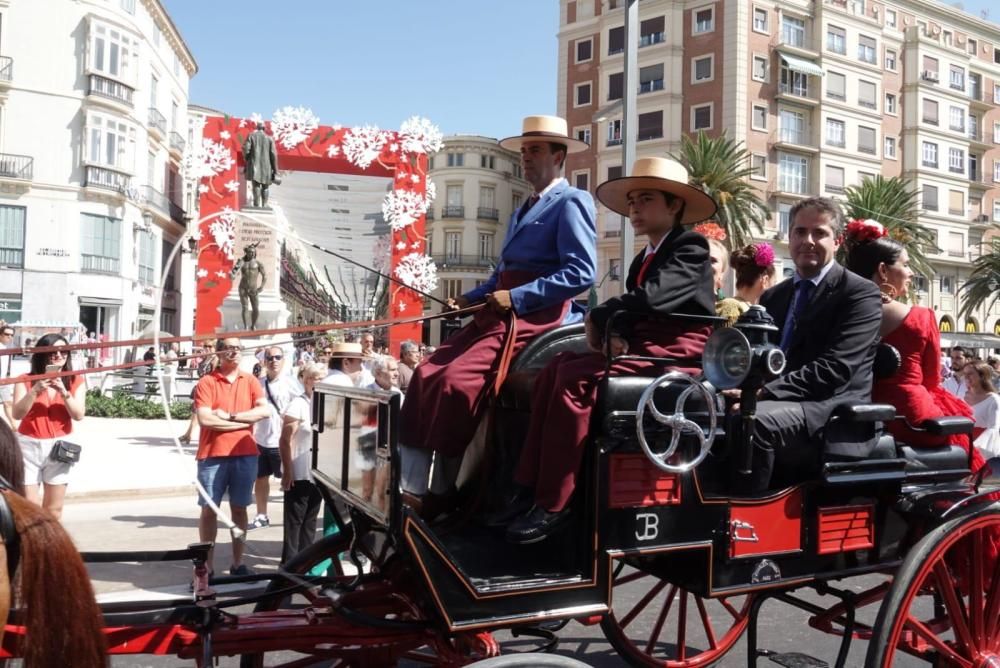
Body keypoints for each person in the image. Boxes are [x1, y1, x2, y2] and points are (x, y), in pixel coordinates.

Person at [497, 157, 718, 543]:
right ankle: (526, 485)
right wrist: (617, 332)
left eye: (645, 199)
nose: (634, 209)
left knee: (574, 382)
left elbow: (656, 297)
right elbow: (637, 308)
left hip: (676, 354)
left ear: (674, 206)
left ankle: (556, 502)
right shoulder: (642, 257)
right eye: (632, 201)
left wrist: (602, 315)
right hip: (644, 348)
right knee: (556, 367)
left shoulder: (690, 246)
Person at [399, 115, 597, 506]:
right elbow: (500, 277)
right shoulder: (521, 209)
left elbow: (582, 272)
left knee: (456, 381)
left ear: (559, 157)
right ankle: (411, 486)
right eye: (524, 150)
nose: (526, 157)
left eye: (535, 149)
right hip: (502, 310)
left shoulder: (572, 200)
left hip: (538, 314)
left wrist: (519, 297)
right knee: (425, 372)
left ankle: (443, 491)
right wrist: (469, 298)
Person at [749, 197, 882, 491]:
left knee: (752, 422)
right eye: (799, 232)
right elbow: (757, 356)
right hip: (779, 401)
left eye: (819, 233)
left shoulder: (859, 293)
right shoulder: (774, 296)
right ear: (789, 236)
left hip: (831, 410)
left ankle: (743, 521)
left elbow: (836, 369)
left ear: (837, 241)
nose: (807, 241)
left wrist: (764, 392)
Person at [843, 220, 984, 467]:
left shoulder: (841, 312)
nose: (911, 273)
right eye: (906, 265)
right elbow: (930, 379)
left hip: (854, 415)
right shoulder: (920, 317)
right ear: (883, 270)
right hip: (910, 418)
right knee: (959, 433)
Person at [192, 337, 270, 577]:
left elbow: (264, 411)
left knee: (240, 508)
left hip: (244, 454)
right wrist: (243, 421)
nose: (234, 352)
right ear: (218, 352)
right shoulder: (206, 382)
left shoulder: (251, 380)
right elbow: (205, 419)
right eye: (228, 348)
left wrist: (229, 417)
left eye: (238, 347)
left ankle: (238, 563)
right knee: (209, 510)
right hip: (212, 455)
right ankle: (208, 568)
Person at [11, 333, 86, 519]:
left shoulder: (75, 380)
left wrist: (64, 391)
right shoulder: (25, 379)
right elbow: (17, 414)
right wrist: (35, 391)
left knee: (54, 510)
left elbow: (78, 415)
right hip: (28, 446)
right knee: (29, 508)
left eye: (64, 352)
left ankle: (48, 546)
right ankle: (29, 546)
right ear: (42, 354)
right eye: (53, 352)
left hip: (60, 447)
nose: (59, 356)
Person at [279, 362, 327, 564]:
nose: (320, 382)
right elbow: (285, 439)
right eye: (316, 378)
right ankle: (289, 566)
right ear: (307, 380)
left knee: (310, 522)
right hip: (299, 471)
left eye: (323, 378)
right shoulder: (298, 404)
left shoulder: (326, 404)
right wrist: (287, 471)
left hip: (317, 473)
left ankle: (305, 566)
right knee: (294, 523)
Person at [249, 346, 292, 531]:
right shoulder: (258, 384)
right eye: (270, 358)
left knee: (289, 482)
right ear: (264, 361)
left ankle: (291, 520)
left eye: (277, 357)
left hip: (282, 441)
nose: (274, 360)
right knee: (261, 478)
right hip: (260, 440)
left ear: (283, 360)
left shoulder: (291, 384)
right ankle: (261, 515)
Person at [716, 243, 776, 325]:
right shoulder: (731, 307)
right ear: (765, 280)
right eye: (774, 283)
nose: (774, 287)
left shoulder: (740, 307)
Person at [963, 360, 1000, 458]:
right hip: (960, 446)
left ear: (982, 376)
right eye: (965, 373)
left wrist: (975, 447)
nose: (966, 377)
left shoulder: (993, 399)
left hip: (981, 450)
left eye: (970, 374)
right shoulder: (961, 395)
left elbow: (993, 429)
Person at [243, 121, 279, 208]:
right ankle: (265, 205)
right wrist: (275, 170)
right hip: (267, 167)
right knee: (265, 186)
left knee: (256, 185)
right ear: (264, 128)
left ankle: (256, 205)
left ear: (257, 128)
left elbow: (246, 150)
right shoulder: (270, 139)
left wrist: (247, 159)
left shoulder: (251, 136)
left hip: (254, 165)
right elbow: (273, 155)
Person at [0, 325, 16, 428]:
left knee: (8, 403)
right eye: (7, 334)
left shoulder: (7, 348)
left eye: (11, 335)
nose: (9, 337)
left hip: (4, 381)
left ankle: (14, 426)